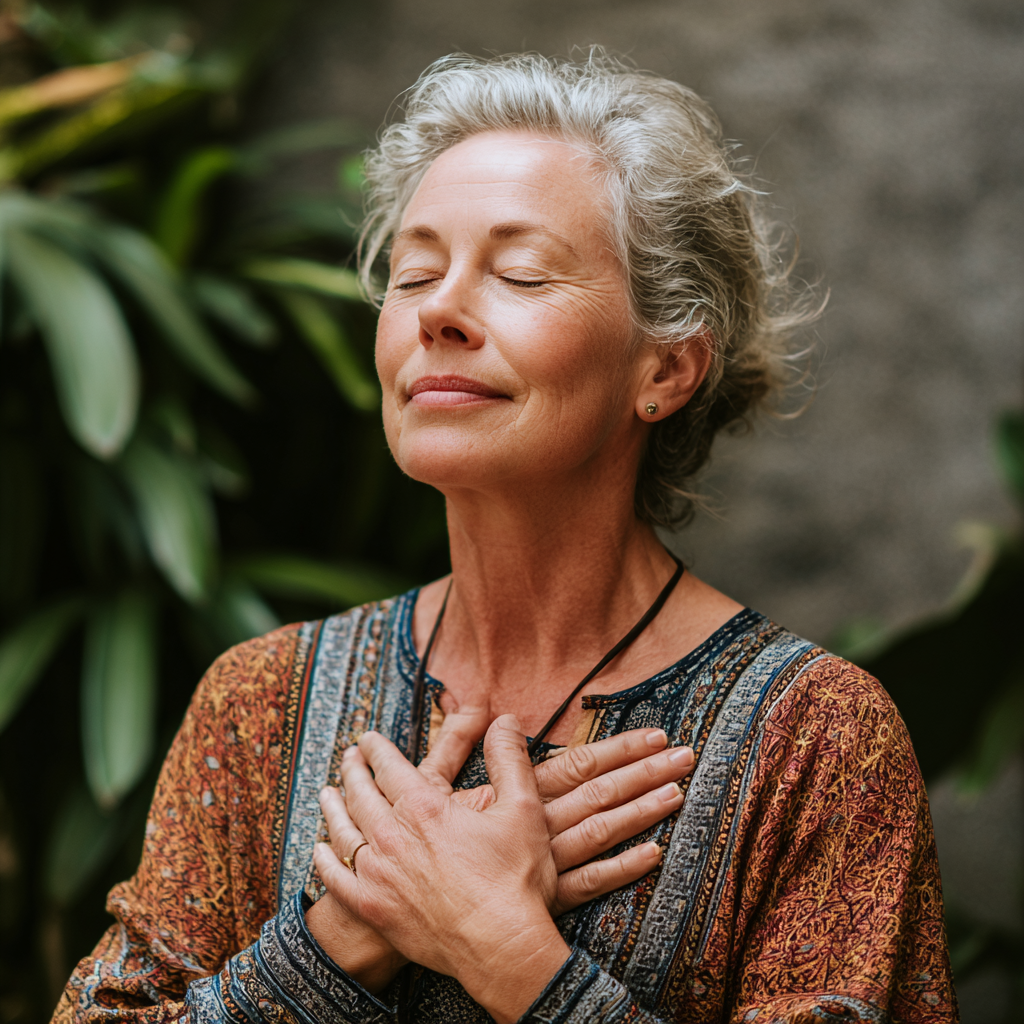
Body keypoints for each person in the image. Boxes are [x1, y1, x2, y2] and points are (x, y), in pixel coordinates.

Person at [53, 52, 957, 1024]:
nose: (439, 310)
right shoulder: (261, 701)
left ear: (667, 368)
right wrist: (348, 933)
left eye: (520, 273)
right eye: (414, 273)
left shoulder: (814, 736)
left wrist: (505, 946)